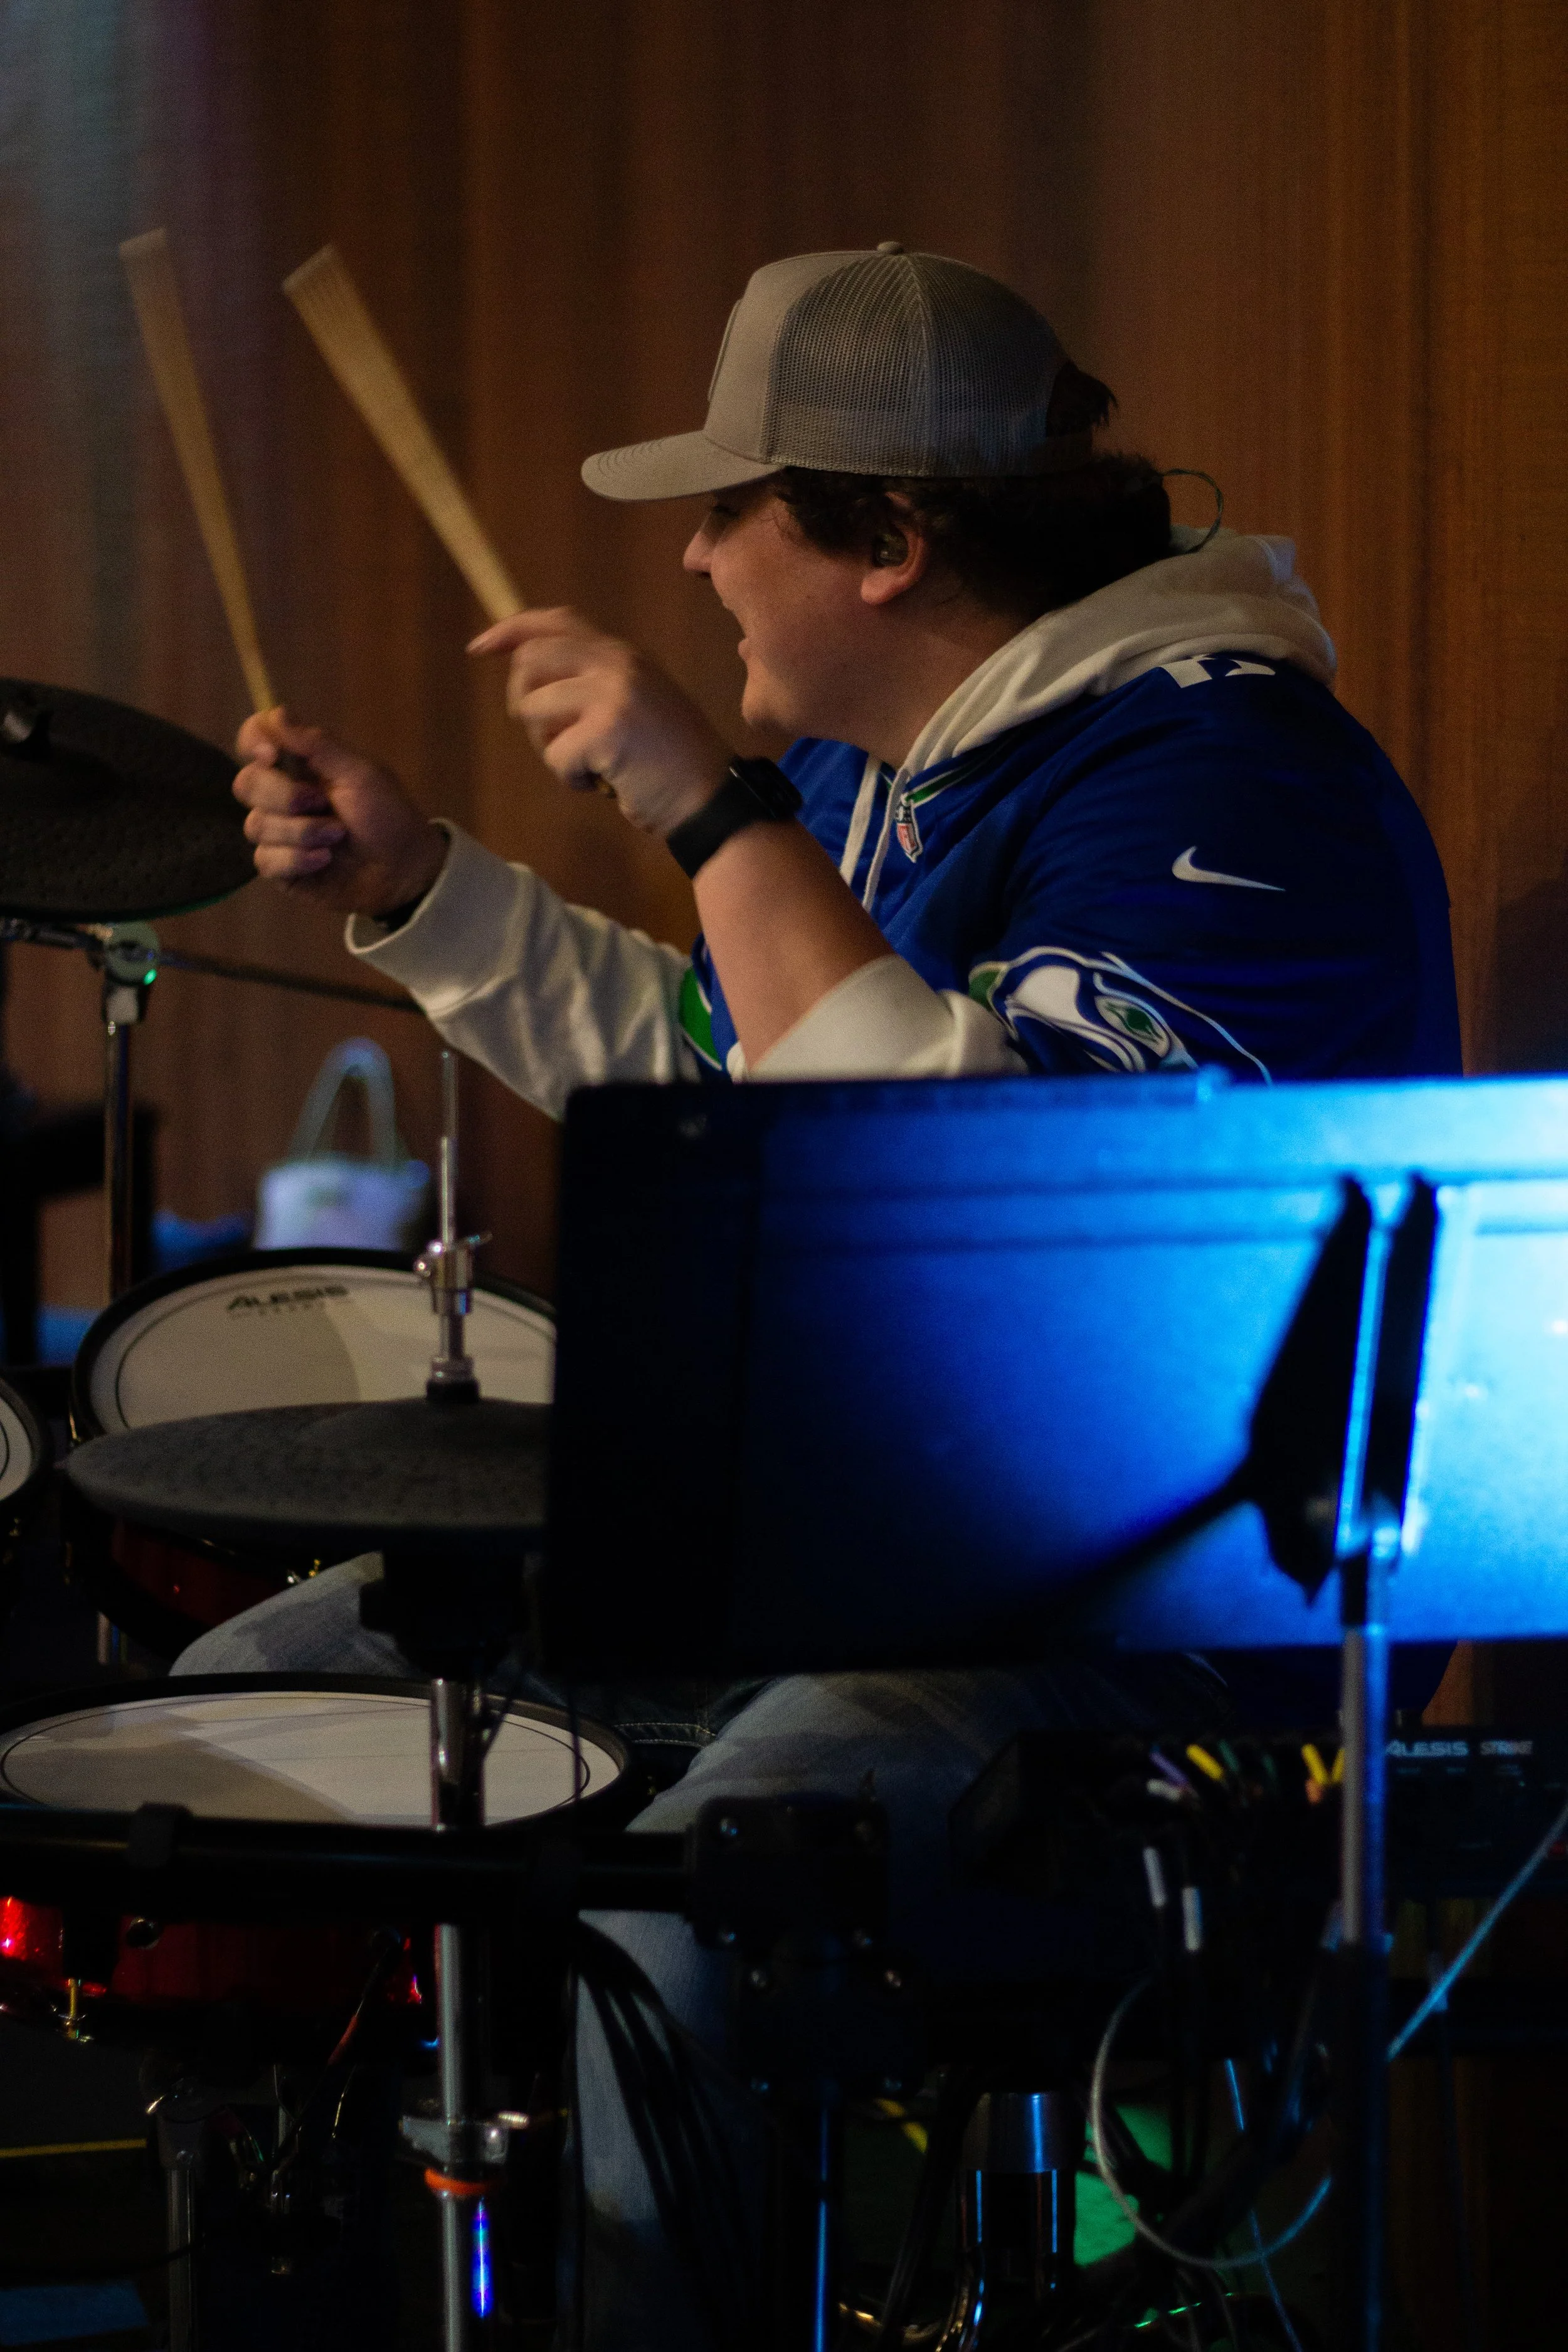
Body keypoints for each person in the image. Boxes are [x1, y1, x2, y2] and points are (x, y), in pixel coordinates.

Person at [177, 246, 1460, 2345]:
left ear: (885, 537)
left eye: (730, 510)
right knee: (265, 1704)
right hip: (858, 1558)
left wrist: (708, 802)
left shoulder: (1222, 785)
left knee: (674, 1905)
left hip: (1145, 1639)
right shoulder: (906, 774)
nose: (686, 559)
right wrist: (429, 892)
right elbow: (735, 1076)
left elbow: (980, 1209)